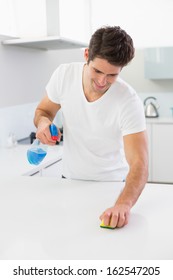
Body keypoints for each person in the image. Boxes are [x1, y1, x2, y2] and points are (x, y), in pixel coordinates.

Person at [34, 26, 148, 228]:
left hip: (112, 187)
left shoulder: (128, 100)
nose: (102, 81)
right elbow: (43, 111)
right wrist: (44, 123)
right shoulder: (64, 75)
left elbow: (139, 164)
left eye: (112, 75)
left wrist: (123, 204)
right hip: (68, 181)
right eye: (97, 71)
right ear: (87, 54)